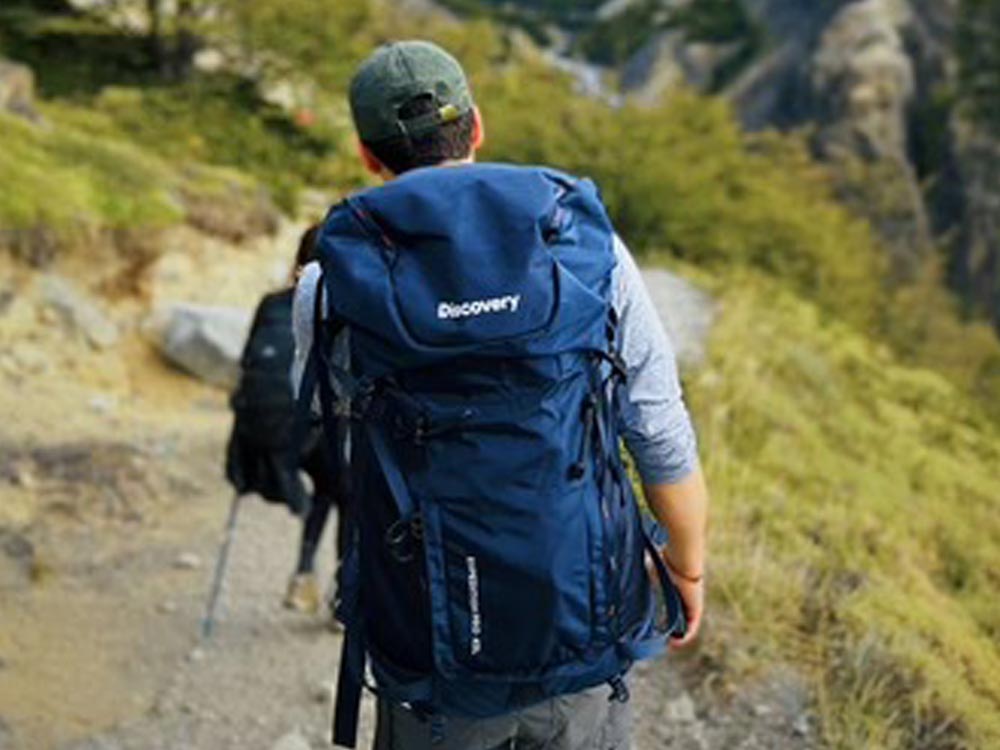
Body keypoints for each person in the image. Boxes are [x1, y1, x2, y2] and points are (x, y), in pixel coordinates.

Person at [293, 41, 709, 750]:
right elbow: (658, 427)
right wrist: (685, 568)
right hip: (583, 614)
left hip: (428, 641)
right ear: (476, 126)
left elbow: (325, 420)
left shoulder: (329, 283)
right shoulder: (583, 244)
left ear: (369, 156)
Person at [225, 225, 347, 615]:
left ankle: (303, 574)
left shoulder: (271, 303)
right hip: (322, 427)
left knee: (326, 490)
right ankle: (340, 594)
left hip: (276, 428)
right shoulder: (341, 309)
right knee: (349, 496)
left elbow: (246, 364)